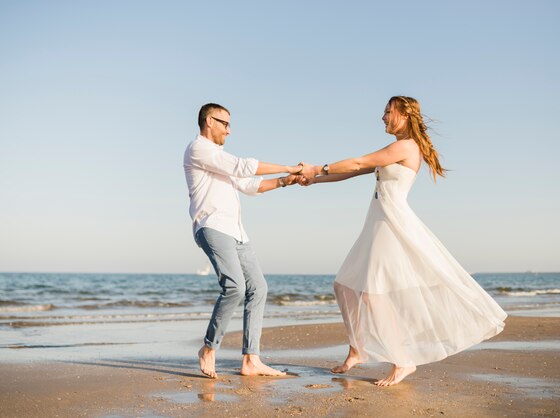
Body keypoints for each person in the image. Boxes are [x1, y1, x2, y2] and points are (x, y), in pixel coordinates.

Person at [298, 96, 507, 386]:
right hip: (376, 223)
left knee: (371, 293)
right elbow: (355, 170)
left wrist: (316, 167)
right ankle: (357, 349)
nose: (382, 117)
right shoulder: (396, 148)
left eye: (387, 111)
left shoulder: (406, 146)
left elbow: (359, 160)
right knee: (344, 285)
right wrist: (315, 180)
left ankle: (403, 361)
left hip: (391, 224)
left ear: (404, 115)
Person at [184, 102, 301, 378]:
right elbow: (242, 166)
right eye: (225, 123)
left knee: (258, 288)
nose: (229, 130)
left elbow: (249, 185)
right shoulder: (198, 149)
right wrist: (288, 165)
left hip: (237, 232)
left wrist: (287, 180)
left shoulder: (219, 158)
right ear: (209, 121)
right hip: (212, 226)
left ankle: (251, 359)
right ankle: (208, 348)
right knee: (234, 286)